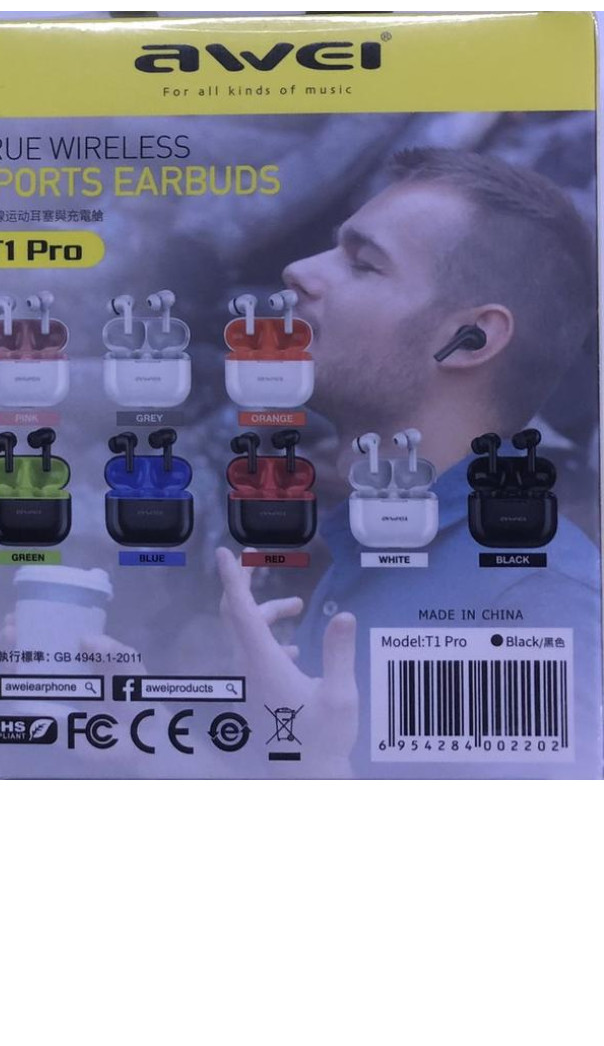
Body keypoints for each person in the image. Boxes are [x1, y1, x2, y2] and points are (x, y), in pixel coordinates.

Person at [218, 148, 601, 776]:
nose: (299, 271)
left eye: (363, 263)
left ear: (471, 339)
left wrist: (310, 766)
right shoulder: (387, 549)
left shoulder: (530, 599)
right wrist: (149, 758)